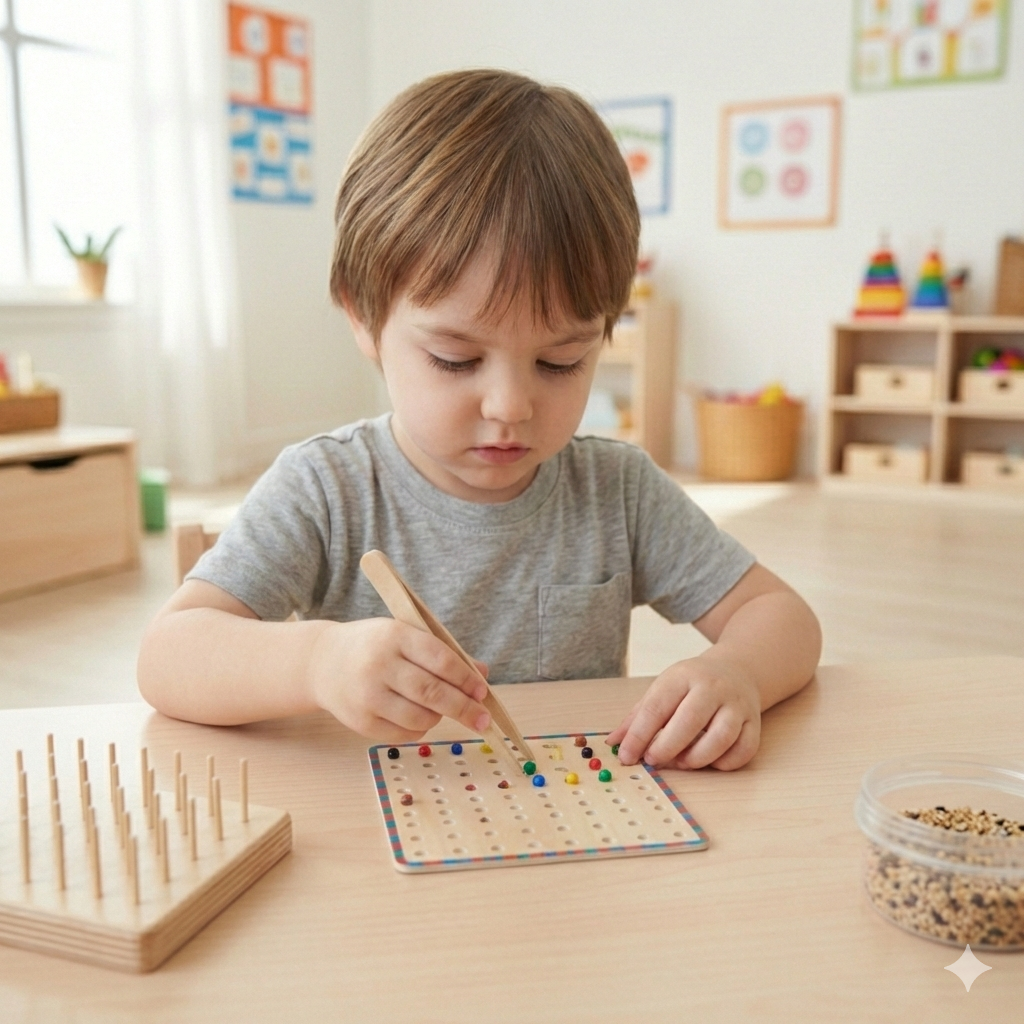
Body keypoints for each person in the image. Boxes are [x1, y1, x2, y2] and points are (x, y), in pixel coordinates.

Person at [138, 69, 821, 772]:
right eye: (456, 359)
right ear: (362, 318)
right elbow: (168, 656)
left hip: (571, 833)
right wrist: (317, 661)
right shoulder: (326, 489)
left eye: (560, 362)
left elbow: (784, 619)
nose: (510, 406)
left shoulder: (617, 491)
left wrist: (737, 671)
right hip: (386, 838)